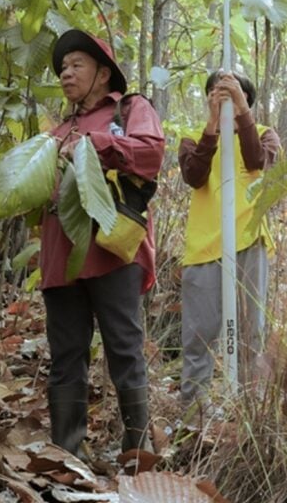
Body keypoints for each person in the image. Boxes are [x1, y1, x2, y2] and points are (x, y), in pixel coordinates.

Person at [39, 29, 164, 458]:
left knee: (124, 349)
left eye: (76, 65)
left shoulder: (131, 109)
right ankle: (66, 456)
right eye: (62, 68)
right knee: (66, 355)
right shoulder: (56, 130)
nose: (66, 74)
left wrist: (95, 143)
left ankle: (137, 454)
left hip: (111, 251)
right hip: (61, 257)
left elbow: (150, 154)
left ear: (103, 72)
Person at [177, 71, 280, 409]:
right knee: (199, 334)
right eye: (215, 94)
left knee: (252, 332)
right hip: (204, 246)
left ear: (247, 98)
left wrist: (240, 113)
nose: (223, 100)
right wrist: (212, 126)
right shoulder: (193, 137)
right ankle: (195, 414)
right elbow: (194, 177)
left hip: (249, 240)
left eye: (232, 94)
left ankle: (253, 410)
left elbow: (256, 162)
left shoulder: (264, 134)